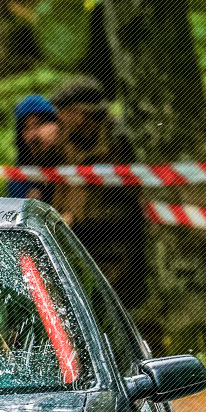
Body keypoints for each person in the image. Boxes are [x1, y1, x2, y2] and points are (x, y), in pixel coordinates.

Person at [46, 76, 147, 309]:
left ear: (81, 113)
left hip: (115, 258)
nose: (58, 117)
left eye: (64, 112)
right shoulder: (68, 140)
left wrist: (76, 224)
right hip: (74, 251)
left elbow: (130, 209)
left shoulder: (118, 142)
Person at [7, 94, 60, 200]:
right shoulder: (19, 177)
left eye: (38, 124)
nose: (32, 135)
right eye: (26, 128)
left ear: (55, 125)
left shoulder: (77, 163)